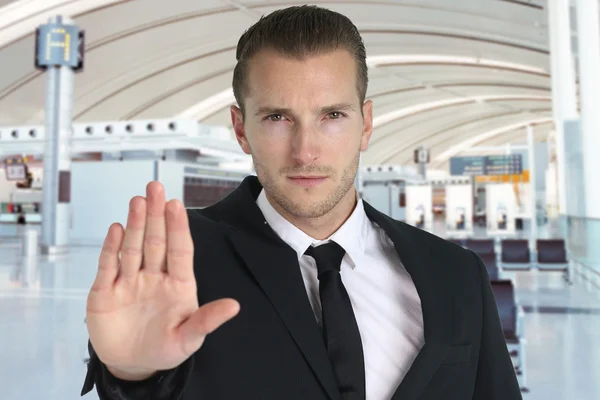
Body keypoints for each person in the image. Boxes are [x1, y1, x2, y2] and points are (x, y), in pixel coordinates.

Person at [81, 5, 522, 400]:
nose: (305, 151)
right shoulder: (180, 260)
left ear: (366, 124)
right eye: (277, 117)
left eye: (332, 115)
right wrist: (133, 374)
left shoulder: (455, 273)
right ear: (240, 128)